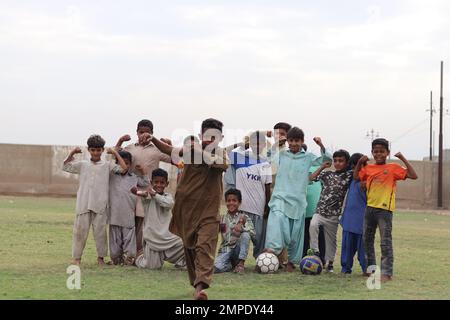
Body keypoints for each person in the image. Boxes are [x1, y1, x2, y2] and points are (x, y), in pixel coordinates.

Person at [148, 118, 229, 300]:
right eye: (207, 136)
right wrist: (153, 139)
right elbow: (169, 151)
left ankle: (200, 289)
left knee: (204, 247)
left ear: (220, 138)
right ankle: (196, 285)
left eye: (214, 137)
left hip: (209, 212)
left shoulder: (220, 153)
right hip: (187, 211)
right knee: (190, 248)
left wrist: (201, 151)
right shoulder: (190, 151)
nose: (210, 140)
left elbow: (222, 165)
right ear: (201, 135)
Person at [264, 127, 332, 272]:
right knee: (277, 221)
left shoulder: (308, 157)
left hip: (298, 201)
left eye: (297, 141)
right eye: (291, 140)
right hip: (280, 197)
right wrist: (276, 144)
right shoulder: (282, 154)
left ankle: (291, 261)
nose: (294, 143)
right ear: (287, 141)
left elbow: (327, 160)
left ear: (302, 141)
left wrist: (320, 145)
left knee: (295, 234)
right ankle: (270, 251)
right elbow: (269, 156)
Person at [354, 138, 418, 282]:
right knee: (367, 240)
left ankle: (386, 273)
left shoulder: (393, 168)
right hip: (369, 209)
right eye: (375, 152)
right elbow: (356, 177)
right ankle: (371, 270)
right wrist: (359, 163)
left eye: (382, 151)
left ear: (387, 153)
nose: (379, 154)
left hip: (384, 211)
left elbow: (414, 175)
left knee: (385, 242)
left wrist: (402, 158)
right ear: (372, 153)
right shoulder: (368, 168)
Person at [63, 134, 127, 266]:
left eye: (98, 150)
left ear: (103, 150)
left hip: (100, 204)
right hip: (83, 203)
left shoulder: (107, 165)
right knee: (80, 231)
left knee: (100, 233)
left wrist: (115, 153)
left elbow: (123, 169)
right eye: (93, 150)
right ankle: (77, 258)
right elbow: (65, 166)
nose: (96, 153)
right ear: (88, 150)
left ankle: (101, 258)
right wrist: (72, 152)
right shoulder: (83, 164)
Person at [115, 119, 173, 254]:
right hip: (129, 191)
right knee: (129, 223)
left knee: (143, 222)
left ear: (152, 133)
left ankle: (142, 252)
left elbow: (175, 158)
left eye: (147, 132)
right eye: (141, 132)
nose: (144, 135)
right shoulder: (130, 148)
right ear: (137, 132)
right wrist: (120, 142)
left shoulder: (157, 149)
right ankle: (127, 252)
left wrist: (168, 144)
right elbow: (114, 156)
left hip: (147, 192)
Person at [229, 131, 272, 259]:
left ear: (264, 145)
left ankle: (260, 261)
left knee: (259, 240)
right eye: (254, 142)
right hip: (242, 209)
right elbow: (222, 152)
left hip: (258, 208)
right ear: (250, 143)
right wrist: (241, 144)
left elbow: (267, 187)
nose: (257, 145)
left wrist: (266, 207)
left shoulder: (265, 163)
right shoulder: (239, 157)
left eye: (260, 143)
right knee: (238, 237)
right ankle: (235, 262)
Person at [309, 149, 352, 273]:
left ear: (346, 162)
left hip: (333, 215)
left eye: (341, 161)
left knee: (331, 240)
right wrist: (322, 167)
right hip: (320, 211)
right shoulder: (327, 175)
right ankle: (315, 251)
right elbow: (312, 178)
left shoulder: (348, 175)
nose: (337, 163)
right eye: (335, 161)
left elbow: (357, 175)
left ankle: (330, 263)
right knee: (313, 225)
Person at [133, 168, 186, 270]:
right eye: (156, 182)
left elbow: (169, 204)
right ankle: (138, 258)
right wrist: (140, 192)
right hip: (153, 239)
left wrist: (155, 195)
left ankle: (182, 262)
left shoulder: (168, 197)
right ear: (151, 182)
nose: (159, 185)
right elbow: (140, 193)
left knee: (186, 244)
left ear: (167, 183)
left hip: (168, 238)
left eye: (162, 182)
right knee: (153, 267)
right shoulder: (147, 197)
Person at [108, 150, 149, 266]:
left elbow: (145, 182)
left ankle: (129, 259)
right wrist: (117, 147)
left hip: (128, 215)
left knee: (129, 242)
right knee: (115, 249)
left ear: (130, 164)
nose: (124, 166)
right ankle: (116, 259)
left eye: (127, 163)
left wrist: (143, 172)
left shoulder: (134, 177)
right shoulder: (111, 176)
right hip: (114, 215)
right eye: (121, 163)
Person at [214, 189, 256, 274]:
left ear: (239, 203)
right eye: (228, 201)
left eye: (234, 200)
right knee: (216, 268)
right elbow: (222, 235)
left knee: (245, 235)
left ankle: (240, 263)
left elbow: (253, 234)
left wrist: (242, 228)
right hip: (225, 249)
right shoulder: (222, 219)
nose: (231, 203)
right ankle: (230, 265)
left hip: (238, 250)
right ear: (225, 202)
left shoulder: (244, 217)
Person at [340, 153, 368, 275]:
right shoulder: (351, 180)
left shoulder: (366, 180)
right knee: (347, 248)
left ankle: (366, 269)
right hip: (348, 221)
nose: (356, 168)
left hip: (362, 221)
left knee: (363, 249)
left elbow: (358, 177)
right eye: (355, 165)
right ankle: (345, 268)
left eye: (361, 165)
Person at [303, 144, 326, 260]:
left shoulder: (315, 167)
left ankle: (321, 258)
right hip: (302, 210)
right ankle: (303, 257)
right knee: (304, 236)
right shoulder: (296, 167)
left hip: (316, 209)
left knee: (318, 235)